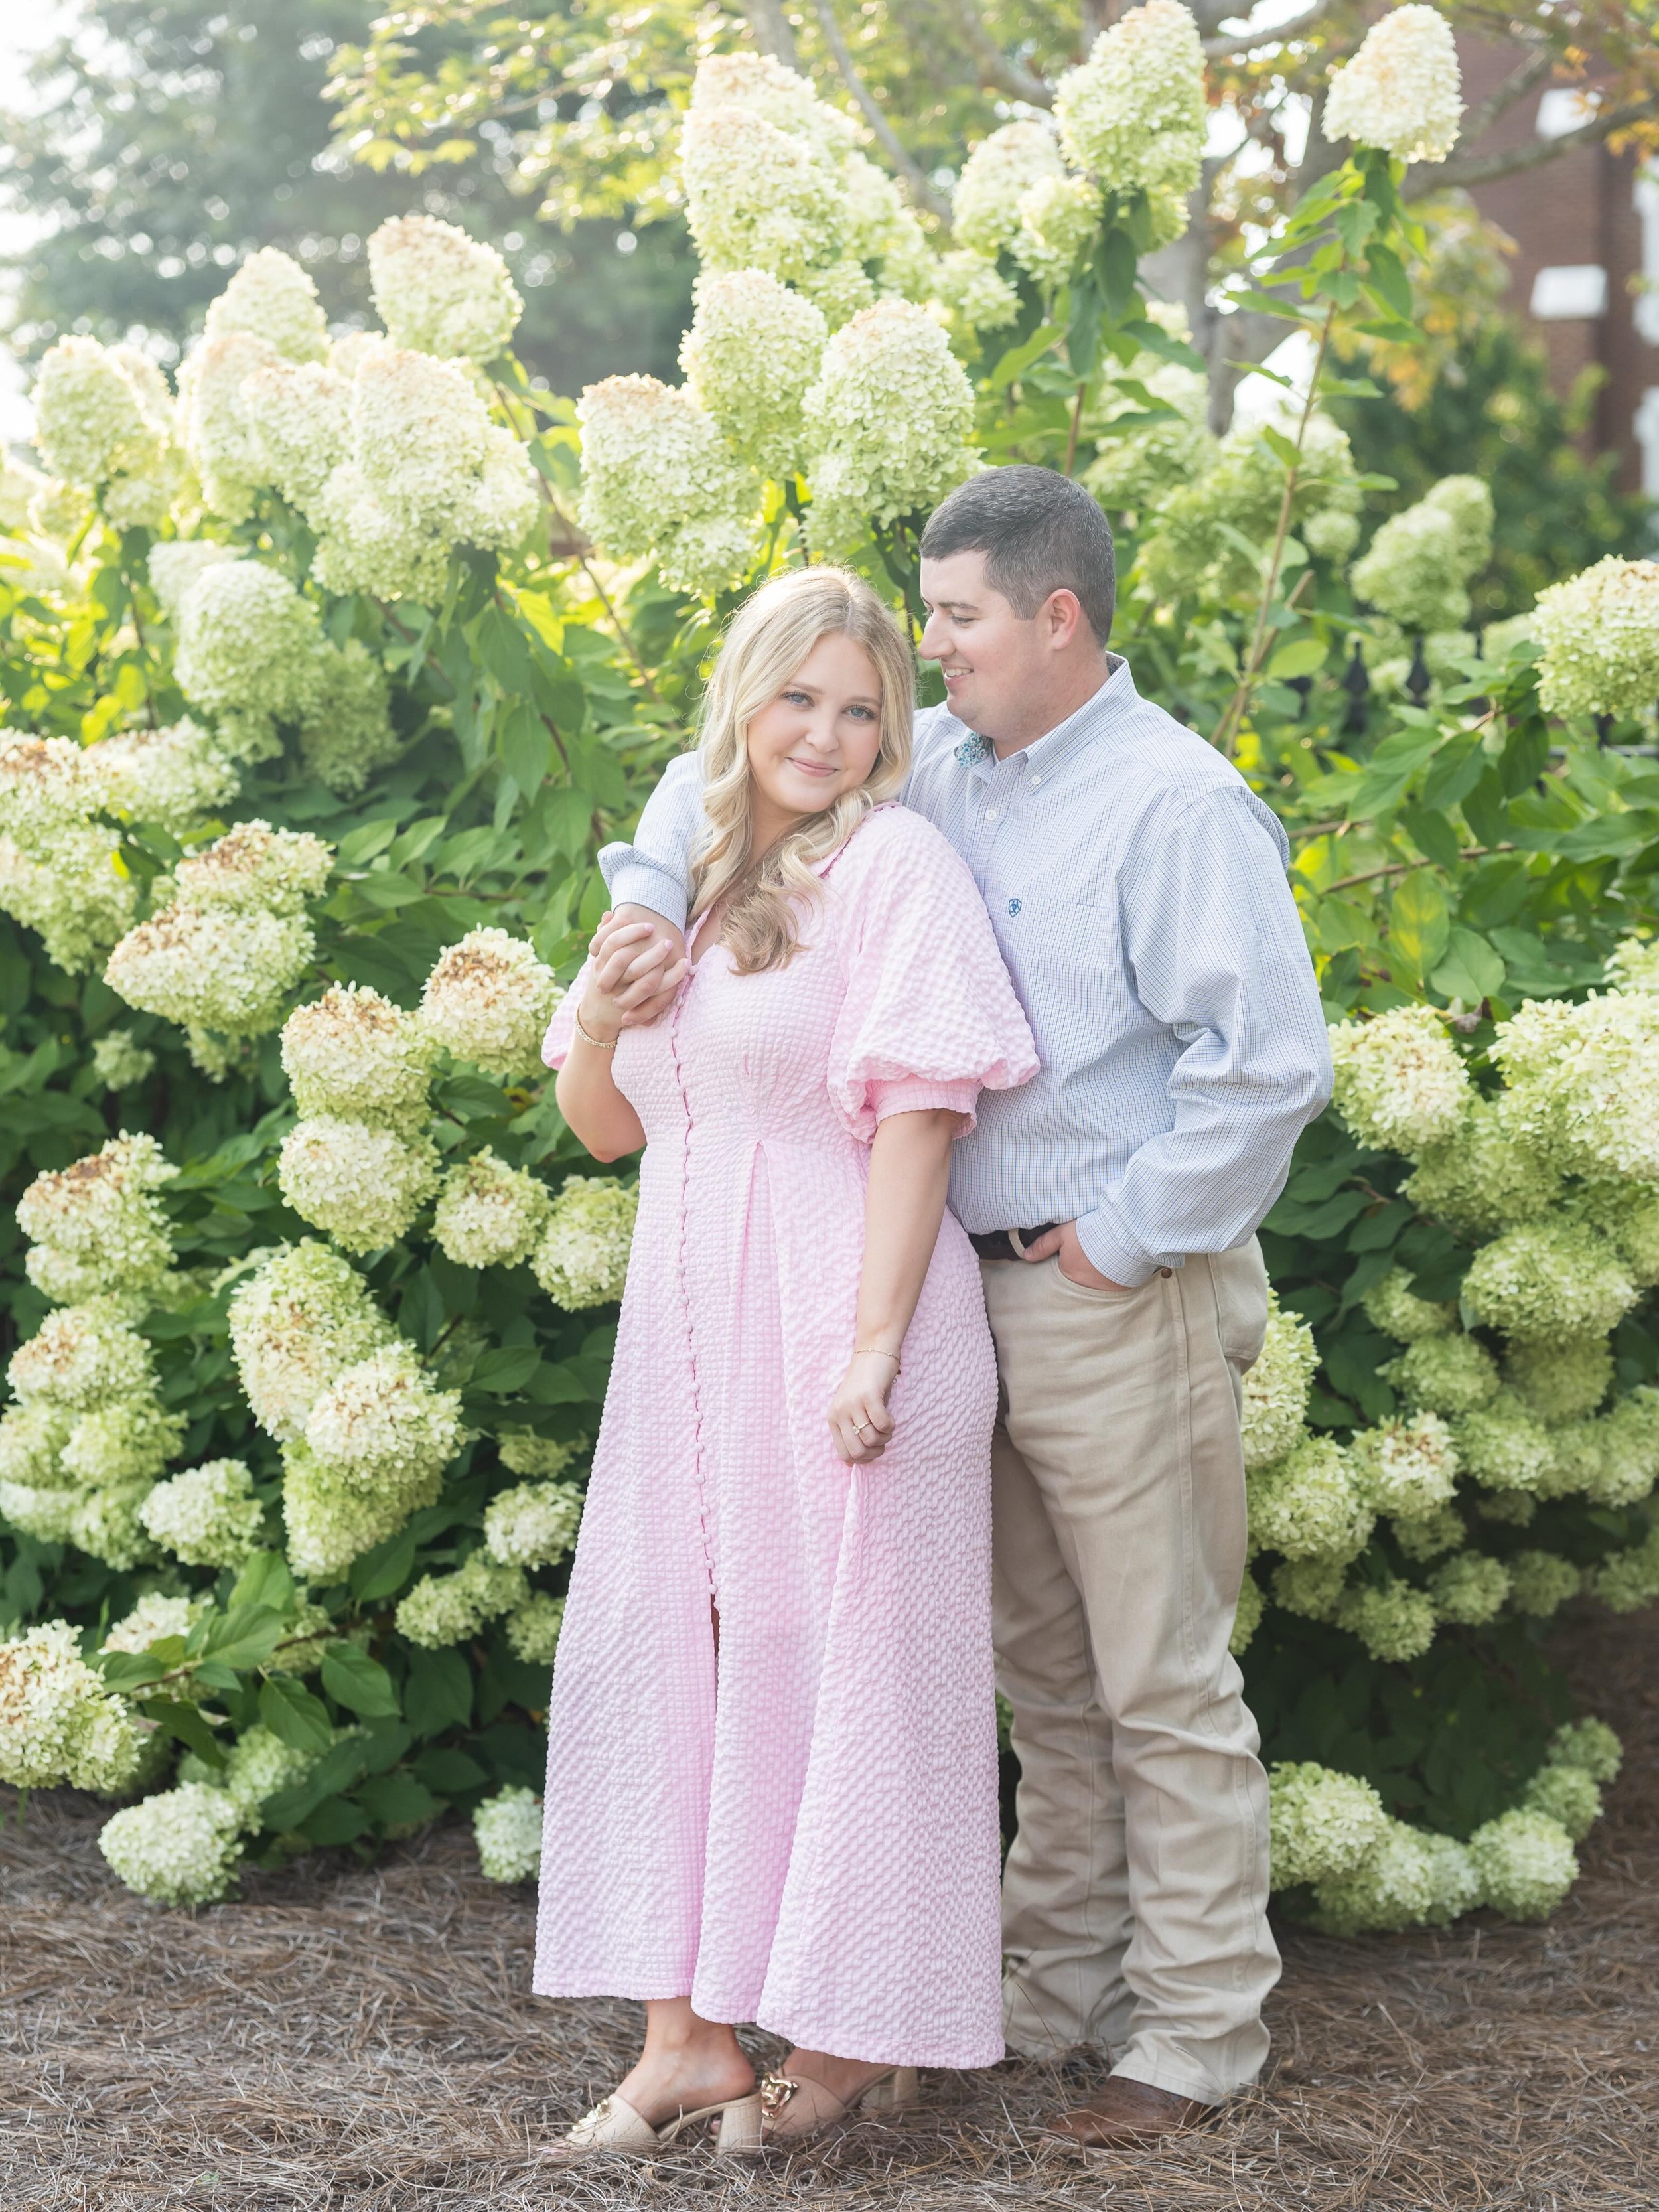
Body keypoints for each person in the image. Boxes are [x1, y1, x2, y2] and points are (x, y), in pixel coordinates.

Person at [591, 465, 1334, 2151]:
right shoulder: (959, 784)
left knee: (1159, 1677)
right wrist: (644, 904)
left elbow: (1269, 1066)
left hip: (1101, 1291)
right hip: (950, 1297)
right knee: (1045, 1687)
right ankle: (1052, 1997)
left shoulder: (1170, 802)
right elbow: (708, 794)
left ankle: (1199, 2033)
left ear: (1052, 617)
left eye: (953, 620)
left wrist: (1124, 1237)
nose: (925, 655)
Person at [534, 565, 1039, 2156]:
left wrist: (873, 1341)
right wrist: (607, 1019)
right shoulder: (673, 863)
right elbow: (607, 1124)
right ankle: (680, 2037)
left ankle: (837, 2035)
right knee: (675, 1641)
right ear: (740, 701)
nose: (823, 733)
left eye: (859, 708)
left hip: (842, 1314)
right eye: (796, 697)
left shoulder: (892, 867)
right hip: (691, 1331)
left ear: (889, 732)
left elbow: (922, 1111)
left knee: (852, 1666)